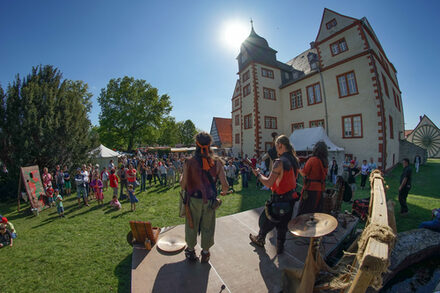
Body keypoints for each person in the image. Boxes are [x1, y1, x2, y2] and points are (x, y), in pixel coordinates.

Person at [180, 132, 229, 263]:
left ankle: (190, 251)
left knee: (191, 225)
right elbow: (225, 185)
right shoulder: (217, 162)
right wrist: (223, 193)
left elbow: (183, 184)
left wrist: (183, 178)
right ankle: (206, 253)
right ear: (210, 145)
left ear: (196, 144)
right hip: (210, 201)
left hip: (193, 200)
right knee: (208, 226)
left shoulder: (188, 162)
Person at [249, 135, 299, 254]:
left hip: (279, 200)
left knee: (267, 220)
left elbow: (269, 182)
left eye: (276, 146)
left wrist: (258, 175)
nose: (276, 149)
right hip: (290, 199)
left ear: (280, 145)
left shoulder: (279, 162)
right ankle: (280, 247)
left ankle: (260, 239)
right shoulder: (294, 160)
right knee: (283, 225)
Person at [297, 141, 328, 215]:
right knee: (317, 210)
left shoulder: (312, 160)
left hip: (310, 189)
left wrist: (298, 169)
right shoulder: (325, 161)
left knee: (306, 211)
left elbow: (304, 173)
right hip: (320, 189)